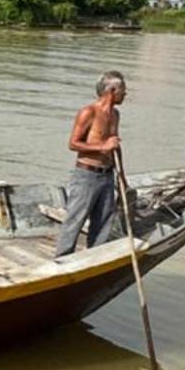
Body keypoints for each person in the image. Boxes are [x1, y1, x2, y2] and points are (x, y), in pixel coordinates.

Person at [55, 71, 127, 256]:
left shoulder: (115, 115)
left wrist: (122, 178)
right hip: (87, 175)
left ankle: (93, 257)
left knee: (104, 221)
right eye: (123, 90)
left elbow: (115, 147)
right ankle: (62, 259)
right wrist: (103, 145)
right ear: (111, 90)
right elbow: (73, 143)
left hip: (107, 174)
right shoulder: (89, 112)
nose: (125, 94)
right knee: (75, 219)